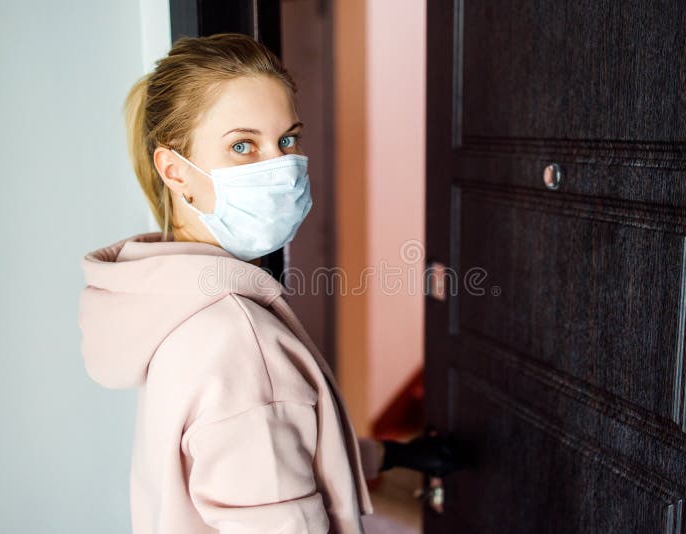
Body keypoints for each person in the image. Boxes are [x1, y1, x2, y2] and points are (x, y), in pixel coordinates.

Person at [77, 33, 461, 534]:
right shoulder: (240, 341)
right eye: (242, 145)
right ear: (175, 170)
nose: (279, 167)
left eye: (287, 140)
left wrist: (389, 455)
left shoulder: (167, 305)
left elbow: (271, 444)